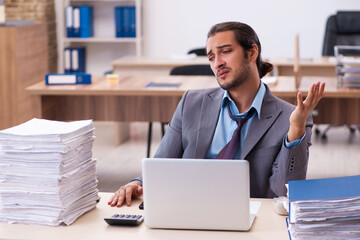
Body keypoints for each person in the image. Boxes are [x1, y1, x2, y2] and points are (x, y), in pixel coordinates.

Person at [108, 21, 326, 207]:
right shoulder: (191, 103)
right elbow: (160, 165)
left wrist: (295, 131)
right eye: (211, 57)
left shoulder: (289, 118)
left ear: (252, 52)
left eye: (226, 51)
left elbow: (284, 193)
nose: (217, 63)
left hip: (249, 221)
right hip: (188, 212)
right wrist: (137, 183)